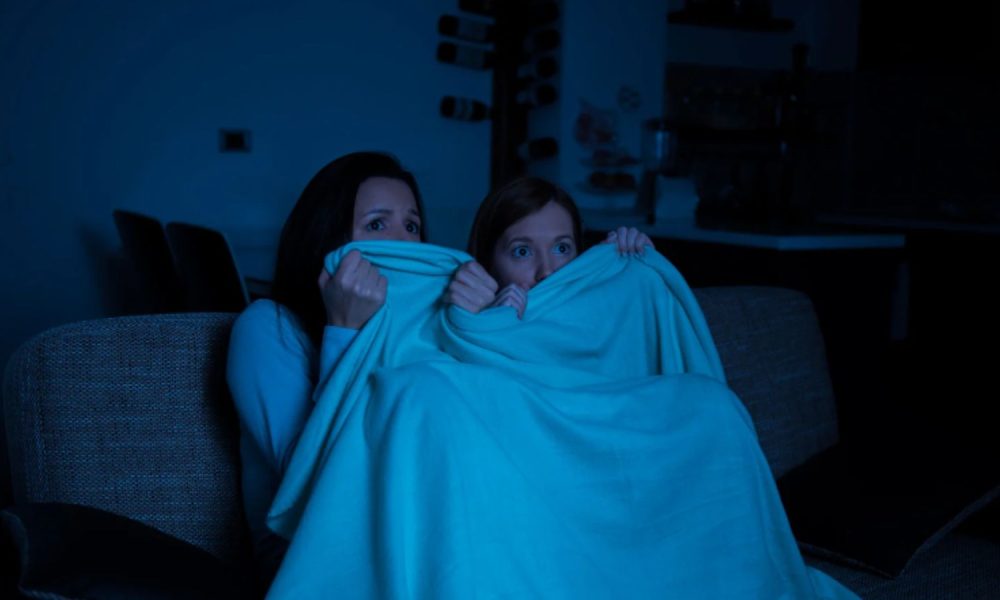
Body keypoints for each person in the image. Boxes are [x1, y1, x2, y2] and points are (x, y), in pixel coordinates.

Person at [226, 151, 426, 585]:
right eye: (377, 224)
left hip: (408, 541)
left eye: (412, 226)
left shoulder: (414, 336)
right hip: (311, 563)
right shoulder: (267, 328)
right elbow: (317, 490)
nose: (405, 243)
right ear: (327, 239)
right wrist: (344, 334)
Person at [446, 176, 652, 318]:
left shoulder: (603, 316)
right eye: (522, 252)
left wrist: (643, 271)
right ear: (488, 264)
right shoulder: (465, 331)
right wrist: (494, 328)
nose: (547, 272)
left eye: (561, 249)